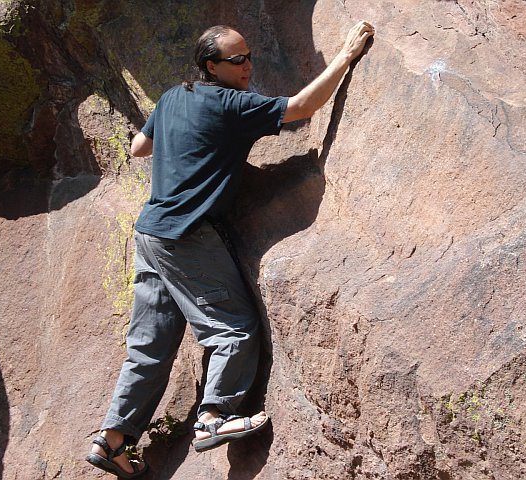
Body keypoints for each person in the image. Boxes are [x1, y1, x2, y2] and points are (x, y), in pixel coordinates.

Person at [86, 20, 375, 478]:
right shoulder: (231, 106)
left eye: (248, 56)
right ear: (211, 66)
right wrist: (346, 55)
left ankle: (113, 440)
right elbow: (301, 108)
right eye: (237, 60)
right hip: (184, 235)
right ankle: (214, 417)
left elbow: (140, 146)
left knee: (149, 346)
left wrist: (181, 145)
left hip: (151, 233)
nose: (247, 66)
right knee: (234, 329)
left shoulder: (172, 97)